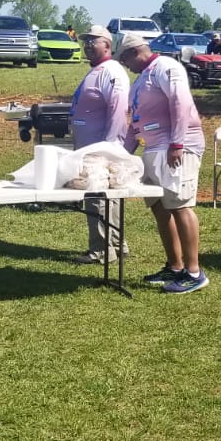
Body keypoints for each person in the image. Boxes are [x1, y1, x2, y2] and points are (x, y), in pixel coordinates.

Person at [117, 32, 208, 294]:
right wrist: (123, 156)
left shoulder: (167, 67)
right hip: (153, 148)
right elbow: (135, 124)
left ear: (135, 51)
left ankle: (194, 272)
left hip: (176, 147)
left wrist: (177, 144)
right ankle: (175, 265)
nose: (125, 65)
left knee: (180, 205)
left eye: (124, 59)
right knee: (160, 206)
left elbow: (180, 104)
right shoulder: (141, 79)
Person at [70, 25, 132, 264]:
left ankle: (101, 250)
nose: (87, 45)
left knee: (98, 197)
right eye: (85, 41)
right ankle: (116, 245)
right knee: (108, 197)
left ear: (107, 45)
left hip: (100, 148)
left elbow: (118, 110)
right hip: (90, 146)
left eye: (93, 41)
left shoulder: (111, 71)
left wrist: (110, 145)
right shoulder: (97, 70)